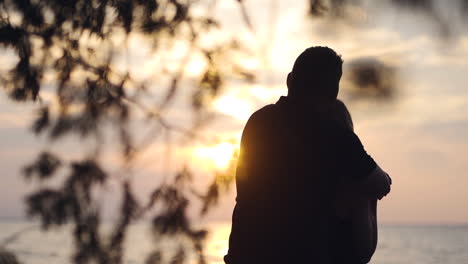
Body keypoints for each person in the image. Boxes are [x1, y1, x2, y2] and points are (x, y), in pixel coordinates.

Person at [224, 46, 391, 264]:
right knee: (361, 187)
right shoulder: (335, 134)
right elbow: (380, 185)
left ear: (290, 80)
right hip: (302, 255)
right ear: (333, 92)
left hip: (244, 255)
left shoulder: (258, 121)